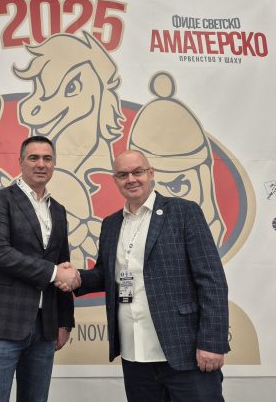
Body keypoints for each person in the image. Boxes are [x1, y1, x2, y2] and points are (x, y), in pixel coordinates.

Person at [67, 149, 230, 401]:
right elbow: (106, 274)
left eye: (137, 172)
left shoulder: (183, 212)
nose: (131, 179)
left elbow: (212, 281)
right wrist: (75, 277)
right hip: (135, 353)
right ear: (114, 180)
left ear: (151, 173)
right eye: (123, 174)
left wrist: (211, 342)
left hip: (184, 350)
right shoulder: (111, 224)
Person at [0, 135, 80, 402]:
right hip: (1, 323)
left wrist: (64, 321)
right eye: (34, 158)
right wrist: (54, 273)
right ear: (20, 162)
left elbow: (63, 263)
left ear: (54, 164)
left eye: (47, 158)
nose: (41, 164)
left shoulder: (59, 211)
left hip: (45, 328)